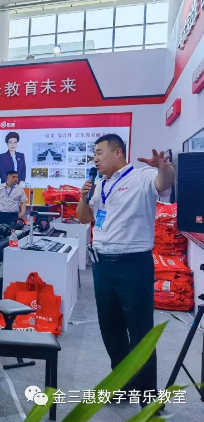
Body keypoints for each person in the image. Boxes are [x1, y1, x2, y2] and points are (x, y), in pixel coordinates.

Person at [77, 134, 175, 409]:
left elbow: (164, 182)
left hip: (133, 266)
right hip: (102, 265)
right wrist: (83, 196)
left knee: (140, 332)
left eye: (99, 153)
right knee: (111, 330)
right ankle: (122, 386)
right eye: (94, 154)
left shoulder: (142, 177)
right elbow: (84, 218)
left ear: (117, 152)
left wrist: (164, 167)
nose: (95, 159)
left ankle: (148, 399)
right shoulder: (100, 185)